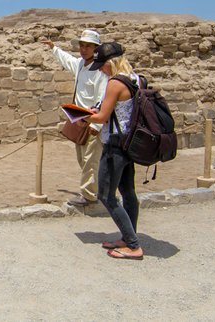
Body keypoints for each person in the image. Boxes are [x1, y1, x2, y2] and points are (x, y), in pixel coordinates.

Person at [84, 42, 143, 260]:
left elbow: (101, 118)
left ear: (111, 63)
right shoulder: (136, 79)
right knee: (128, 193)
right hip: (130, 143)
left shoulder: (115, 83)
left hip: (115, 145)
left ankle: (133, 245)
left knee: (106, 195)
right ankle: (128, 237)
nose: (100, 69)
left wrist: (81, 116)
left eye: (102, 65)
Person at [42, 29, 108, 206]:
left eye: (88, 46)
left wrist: (97, 126)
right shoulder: (81, 64)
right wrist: (54, 48)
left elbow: (102, 99)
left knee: (90, 160)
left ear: (96, 48)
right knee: (83, 159)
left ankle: (89, 196)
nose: (84, 49)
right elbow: (67, 60)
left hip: (93, 122)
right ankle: (97, 190)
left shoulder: (100, 71)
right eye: (82, 45)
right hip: (80, 119)